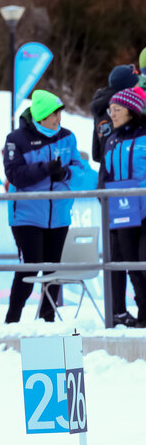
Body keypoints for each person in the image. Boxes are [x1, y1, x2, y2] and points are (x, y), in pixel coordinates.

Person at [3, 89, 82, 323]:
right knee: (30, 266)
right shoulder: (16, 139)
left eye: (59, 113)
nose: (59, 118)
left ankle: (48, 319)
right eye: (54, 114)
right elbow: (14, 175)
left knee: (53, 269)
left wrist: (65, 173)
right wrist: (45, 169)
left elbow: (81, 170)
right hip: (26, 216)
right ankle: (12, 319)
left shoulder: (68, 136)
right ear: (41, 117)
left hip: (59, 214)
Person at [90, 65, 141, 326]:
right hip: (121, 190)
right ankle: (122, 311)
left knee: (123, 257)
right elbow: (103, 152)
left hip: (113, 189)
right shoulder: (116, 111)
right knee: (126, 256)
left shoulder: (102, 107)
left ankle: (120, 310)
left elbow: (95, 154)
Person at [101, 87, 146, 327]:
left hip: (145, 211)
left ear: (131, 110)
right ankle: (144, 315)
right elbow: (105, 175)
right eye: (111, 110)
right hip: (124, 213)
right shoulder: (111, 140)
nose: (112, 114)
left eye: (117, 109)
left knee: (143, 262)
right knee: (132, 267)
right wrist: (106, 199)